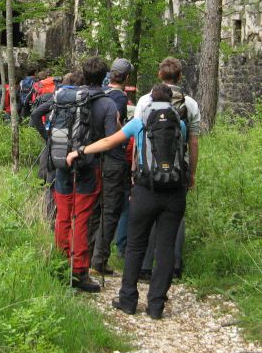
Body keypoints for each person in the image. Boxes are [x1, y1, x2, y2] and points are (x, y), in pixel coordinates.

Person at [68, 81, 197, 319]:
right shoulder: (180, 124)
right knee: (165, 247)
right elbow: (187, 151)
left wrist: (81, 151)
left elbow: (109, 142)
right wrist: (191, 177)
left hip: (145, 191)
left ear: (150, 101)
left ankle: (128, 299)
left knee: (136, 246)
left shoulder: (140, 122)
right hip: (174, 193)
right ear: (171, 101)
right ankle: (156, 305)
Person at [51, 58, 119, 293]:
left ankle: (61, 264)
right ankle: (79, 270)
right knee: (81, 219)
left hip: (62, 164)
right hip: (89, 168)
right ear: (104, 77)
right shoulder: (107, 105)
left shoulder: (68, 98)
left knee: (63, 216)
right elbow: (112, 142)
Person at [134, 57, 200, 281]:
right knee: (175, 217)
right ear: (180, 76)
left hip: (149, 169)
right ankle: (174, 266)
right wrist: (191, 172)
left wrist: (135, 167)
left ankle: (144, 267)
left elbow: (138, 138)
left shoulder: (145, 101)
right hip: (177, 168)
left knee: (149, 215)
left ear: (159, 75)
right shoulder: (189, 104)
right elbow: (193, 141)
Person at [91, 58, 133, 275]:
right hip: (112, 159)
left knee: (95, 208)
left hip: (94, 157)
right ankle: (99, 260)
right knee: (110, 210)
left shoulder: (100, 93)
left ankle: (90, 256)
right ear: (126, 78)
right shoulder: (118, 97)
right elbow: (115, 127)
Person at [30, 72, 77, 228]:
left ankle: (50, 220)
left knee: (50, 183)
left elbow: (36, 114)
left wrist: (46, 137)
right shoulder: (80, 100)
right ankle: (66, 221)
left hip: (53, 144)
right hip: (72, 147)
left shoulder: (55, 98)